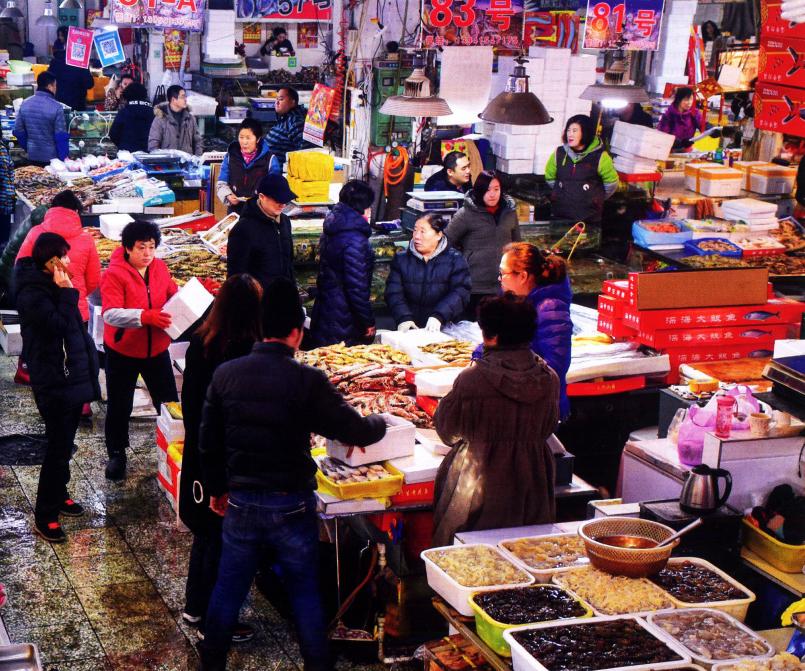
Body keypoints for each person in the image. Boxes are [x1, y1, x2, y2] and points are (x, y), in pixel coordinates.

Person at [197, 278, 387, 671]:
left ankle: (210, 662)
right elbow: (353, 429)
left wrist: (218, 489)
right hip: (292, 506)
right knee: (305, 592)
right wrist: (381, 421)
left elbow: (208, 443)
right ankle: (317, 664)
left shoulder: (227, 375)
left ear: (260, 328)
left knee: (228, 589)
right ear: (297, 333)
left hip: (243, 502)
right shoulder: (306, 379)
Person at [431, 293, 560, 546]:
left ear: (491, 335)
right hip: (532, 476)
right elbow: (548, 426)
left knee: (474, 555)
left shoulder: (472, 379)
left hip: (478, 479)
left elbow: (448, 432)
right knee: (527, 550)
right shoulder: (549, 378)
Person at [179, 274, 263, 645]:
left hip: (201, 454)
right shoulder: (247, 351)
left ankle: (195, 607)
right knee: (228, 544)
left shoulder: (201, 341)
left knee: (207, 537)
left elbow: (193, 404)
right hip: (230, 462)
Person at [14, 233, 100, 542]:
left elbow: (76, 333)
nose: (68, 261)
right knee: (56, 446)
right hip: (53, 380)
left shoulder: (56, 286)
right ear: (49, 262)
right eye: (62, 257)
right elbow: (59, 326)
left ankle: (60, 492)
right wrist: (67, 293)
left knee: (65, 442)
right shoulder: (33, 293)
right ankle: (45, 515)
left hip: (71, 377)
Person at [101, 220, 179, 481]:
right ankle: (117, 453)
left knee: (168, 402)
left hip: (156, 348)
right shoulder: (114, 274)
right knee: (119, 405)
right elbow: (111, 314)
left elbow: (171, 294)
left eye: (152, 247)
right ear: (127, 248)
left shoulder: (160, 267)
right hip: (123, 350)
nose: (147, 253)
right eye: (141, 247)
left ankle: (175, 448)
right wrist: (144, 317)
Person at [498, 243, 572, 420]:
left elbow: (554, 367)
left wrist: (505, 376)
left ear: (522, 276)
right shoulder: (518, 303)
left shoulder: (550, 308)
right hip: (519, 403)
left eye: (503, 273)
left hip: (540, 410)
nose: (500, 279)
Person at [446, 170, 521, 318]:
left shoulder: (510, 213)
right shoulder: (465, 214)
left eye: (496, 189)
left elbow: (517, 244)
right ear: (479, 191)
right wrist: (464, 259)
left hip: (503, 285)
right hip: (474, 287)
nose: (492, 194)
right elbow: (446, 241)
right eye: (487, 190)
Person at [17, 190, 99, 324]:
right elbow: (93, 279)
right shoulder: (87, 239)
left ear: (52, 208)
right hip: (75, 310)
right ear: (77, 212)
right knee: (76, 345)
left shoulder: (35, 233)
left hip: (41, 309)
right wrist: (75, 291)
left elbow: (20, 269)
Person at [309, 180, 376, 346]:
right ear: (363, 208)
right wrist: (368, 321)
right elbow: (356, 286)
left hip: (326, 309)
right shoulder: (355, 239)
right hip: (343, 316)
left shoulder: (334, 226)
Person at [384, 214, 471, 332]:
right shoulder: (401, 259)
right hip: (411, 328)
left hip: (445, 327)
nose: (417, 236)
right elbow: (394, 292)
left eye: (422, 231)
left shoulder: (455, 259)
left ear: (438, 235)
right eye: (415, 230)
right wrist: (404, 317)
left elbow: (460, 292)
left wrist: (439, 316)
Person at [545, 114, 619, 228]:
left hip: (589, 219)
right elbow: (549, 178)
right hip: (560, 216)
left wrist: (594, 198)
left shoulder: (601, 157)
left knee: (587, 245)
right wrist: (561, 192)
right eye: (568, 130)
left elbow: (611, 184)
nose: (570, 134)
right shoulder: (558, 153)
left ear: (586, 132)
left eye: (575, 130)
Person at [226, 173, 296, 291]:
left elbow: (289, 263)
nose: (282, 204)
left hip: (283, 299)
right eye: (278, 200)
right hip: (257, 303)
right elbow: (236, 276)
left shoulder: (285, 221)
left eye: (285, 200)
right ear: (262, 196)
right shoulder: (243, 229)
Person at [216, 118, 279, 213]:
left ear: (257, 139)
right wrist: (228, 195)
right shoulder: (230, 157)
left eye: (248, 138)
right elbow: (221, 184)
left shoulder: (270, 160)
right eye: (241, 137)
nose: (244, 142)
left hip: (260, 214)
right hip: (235, 213)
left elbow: (275, 187)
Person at [13, 72, 69, 166]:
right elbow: (61, 137)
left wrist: (27, 147)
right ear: (49, 86)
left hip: (32, 156)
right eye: (55, 86)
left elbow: (18, 131)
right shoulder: (57, 107)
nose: (56, 89)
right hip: (51, 159)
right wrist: (64, 159)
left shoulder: (25, 103)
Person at [148, 85, 203, 156]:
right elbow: (153, 145)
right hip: (167, 164)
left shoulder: (190, 118)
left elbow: (198, 141)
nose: (185, 99)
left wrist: (197, 158)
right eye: (182, 97)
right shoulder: (160, 118)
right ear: (173, 100)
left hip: (188, 163)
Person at [264, 87, 309, 166]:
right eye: (276, 99)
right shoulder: (283, 118)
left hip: (279, 173)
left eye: (281, 99)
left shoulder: (295, 121)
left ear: (292, 102)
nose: (277, 102)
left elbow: (305, 150)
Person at [108, 83, 155, 153]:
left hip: (127, 154)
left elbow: (113, 134)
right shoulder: (153, 112)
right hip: (148, 153)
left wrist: (122, 144)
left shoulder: (124, 111)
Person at [657, 87, 703, 151]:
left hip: (687, 150)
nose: (689, 102)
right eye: (686, 99)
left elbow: (703, 125)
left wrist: (712, 129)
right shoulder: (669, 114)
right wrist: (680, 143)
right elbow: (664, 135)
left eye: (691, 99)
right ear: (678, 100)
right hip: (670, 150)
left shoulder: (694, 113)